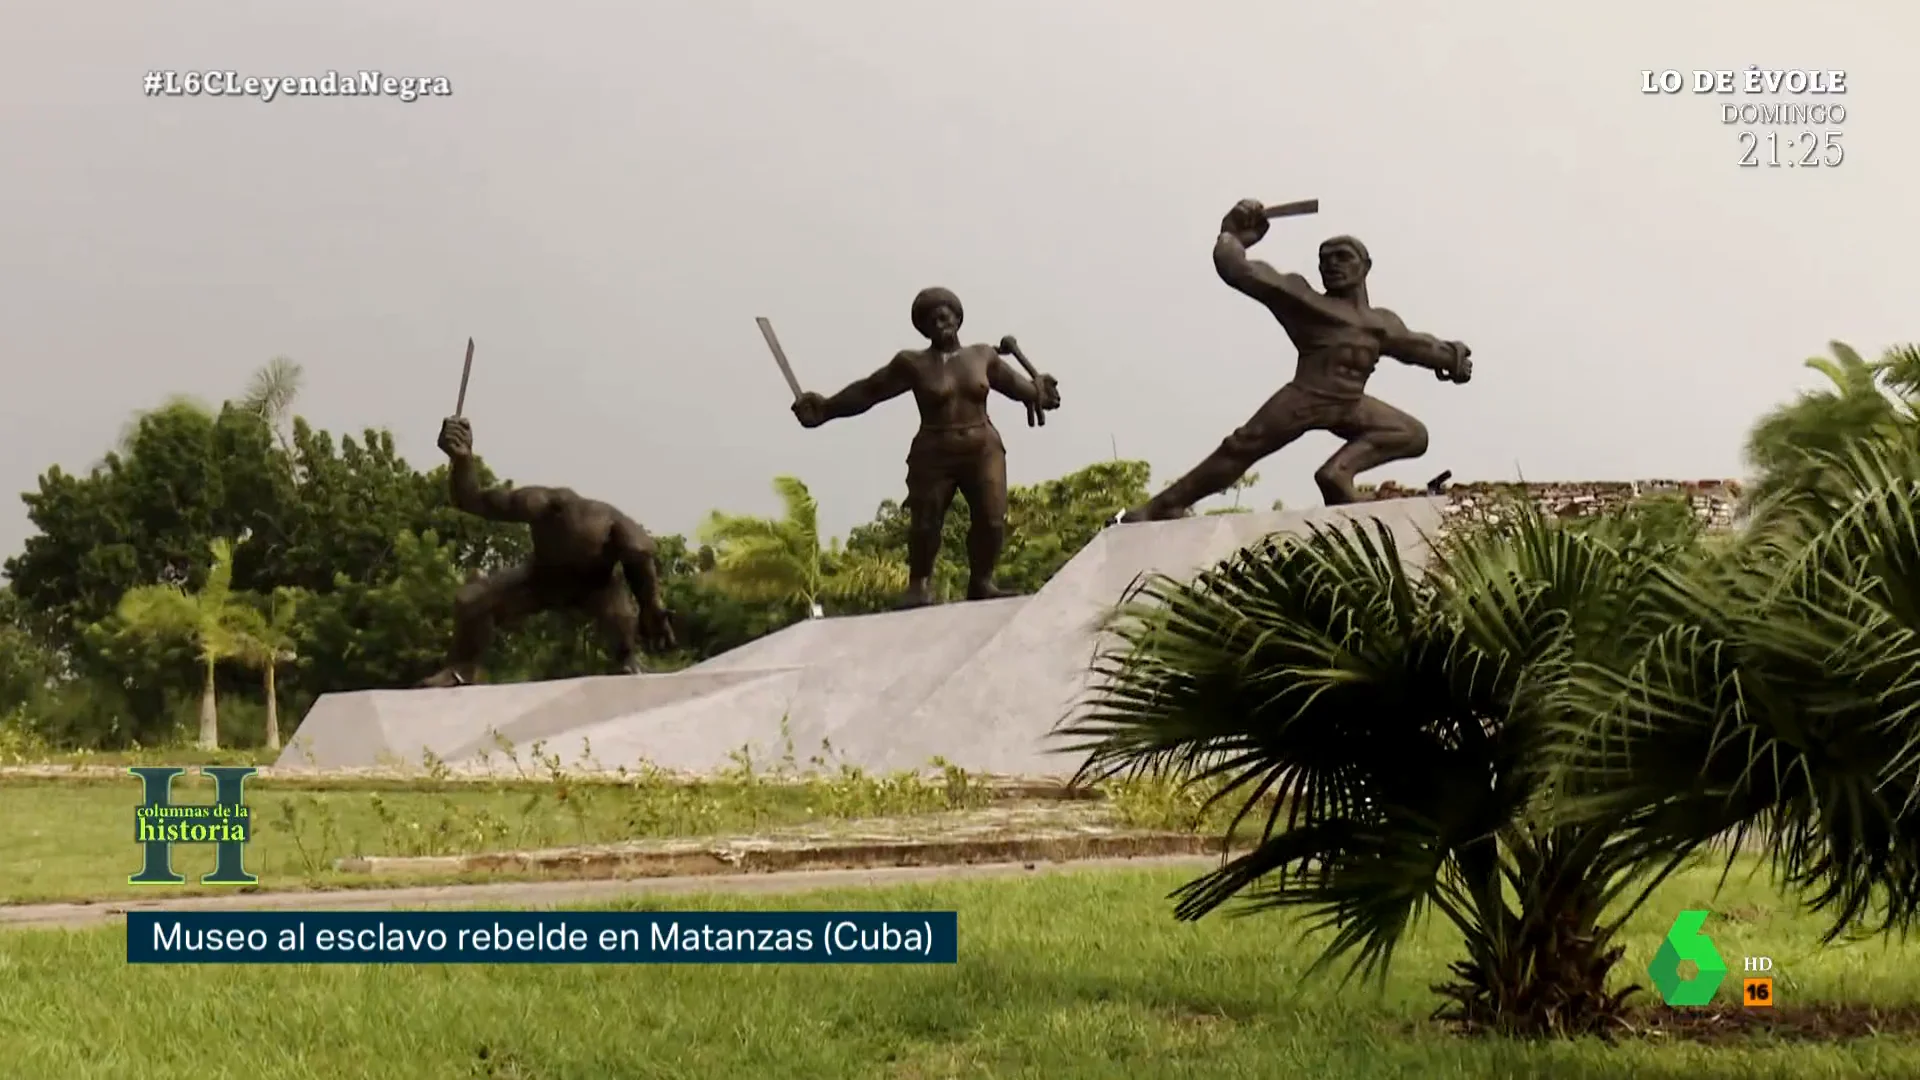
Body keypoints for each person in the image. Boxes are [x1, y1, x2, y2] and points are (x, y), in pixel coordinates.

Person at [1120, 199, 1472, 521]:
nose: (1331, 265)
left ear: (1366, 266)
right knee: (1241, 448)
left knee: (1411, 434)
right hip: (1306, 397)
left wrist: (1452, 356)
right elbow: (1238, 270)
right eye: (1325, 259)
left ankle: (1337, 474)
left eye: (1342, 257)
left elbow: (1415, 346)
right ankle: (1161, 507)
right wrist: (1231, 235)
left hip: (1350, 404)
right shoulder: (1305, 300)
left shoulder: (1380, 322)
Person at [791, 287, 1062, 607]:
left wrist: (1040, 393)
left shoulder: (982, 356)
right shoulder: (913, 363)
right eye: (930, 317)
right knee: (926, 521)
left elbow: (1021, 389)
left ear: (958, 317)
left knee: (991, 518)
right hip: (934, 452)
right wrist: (826, 408)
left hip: (983, 447)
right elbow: (869, 391)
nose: (939, 319)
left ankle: (981, 581)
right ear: (923, 327)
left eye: (945, 312)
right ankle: (919, 584)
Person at [418, 416, 675, 687]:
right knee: (472, 600)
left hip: (596, 587)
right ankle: (461, 669)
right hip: (540, 579)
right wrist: (462, 460)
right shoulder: (538, 503)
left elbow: (642, 567)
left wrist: (652, 609)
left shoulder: (625, 533)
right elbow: (471, 500)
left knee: (620, 617)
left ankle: (627, 663)